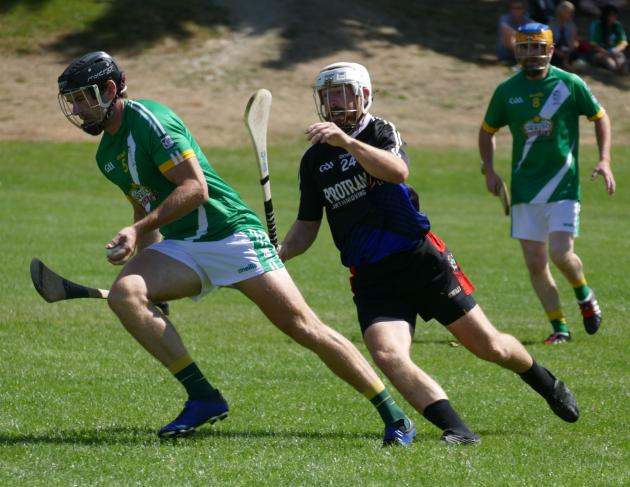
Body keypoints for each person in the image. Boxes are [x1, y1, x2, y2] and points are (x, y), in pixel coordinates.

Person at [56, 51, 418, 446]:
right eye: (72, 100)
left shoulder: (150, 120)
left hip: (232, 235)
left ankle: (394, 416)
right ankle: (203, 396)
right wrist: (142, 250)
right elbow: (143, 206)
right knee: (127, 294)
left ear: (109, 90)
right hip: (184, 244)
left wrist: (136, 228)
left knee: (305, 328)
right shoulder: (106, 154)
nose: (76, 108)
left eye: (82, 97)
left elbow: (195, 189)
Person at [278, 61, 580, 445]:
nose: (336, 102)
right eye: (329, 95)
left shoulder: (380, 131)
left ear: (365, 95)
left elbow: (397, 172)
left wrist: (348, 143)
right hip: (372, 276)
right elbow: (307, 227)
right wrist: (281, 253)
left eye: (344, 92)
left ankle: (543, 380)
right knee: (388, 355)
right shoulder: (314, 161)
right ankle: (458, 430)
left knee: (489, 346)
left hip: (421, 261)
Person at [479, 23, 616, 345]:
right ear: (517, 51)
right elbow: (487, 131)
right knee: (536, 263)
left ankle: (584, 294)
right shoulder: (507, 91)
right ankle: (560, 329)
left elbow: (600, 117)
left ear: (551, 50)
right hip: (525, 189)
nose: (531, 54)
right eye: (525, 47)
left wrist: (604, 159)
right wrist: (489, 170)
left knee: (560, 254)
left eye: (538, 47)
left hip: (563, 186)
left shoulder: (569, 84)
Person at [589, 3, 629, 74]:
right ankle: (616, 68)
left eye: (615, 15)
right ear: (606, 15)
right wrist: (606, 52)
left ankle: (621, 67)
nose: (615, 17)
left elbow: (623, 42)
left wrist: (615, 50)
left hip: (615, 53)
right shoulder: (597, 25)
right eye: (612, 15)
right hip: (600, 53)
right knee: (611, 64)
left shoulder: (617, 26)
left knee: (623, 66)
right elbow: (593, 44)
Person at [550, 1, 586, 71]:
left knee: (575, 56)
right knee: (555, 57)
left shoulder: (572, 26)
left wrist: (568, 52)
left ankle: (567, 64)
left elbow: (573, 42)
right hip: (555, 51)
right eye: (569, 12)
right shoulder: (551, 25)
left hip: (567, 50)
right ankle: (567, 65)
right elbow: (550, 43)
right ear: (562, 12)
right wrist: (559, 52)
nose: (571, 14)